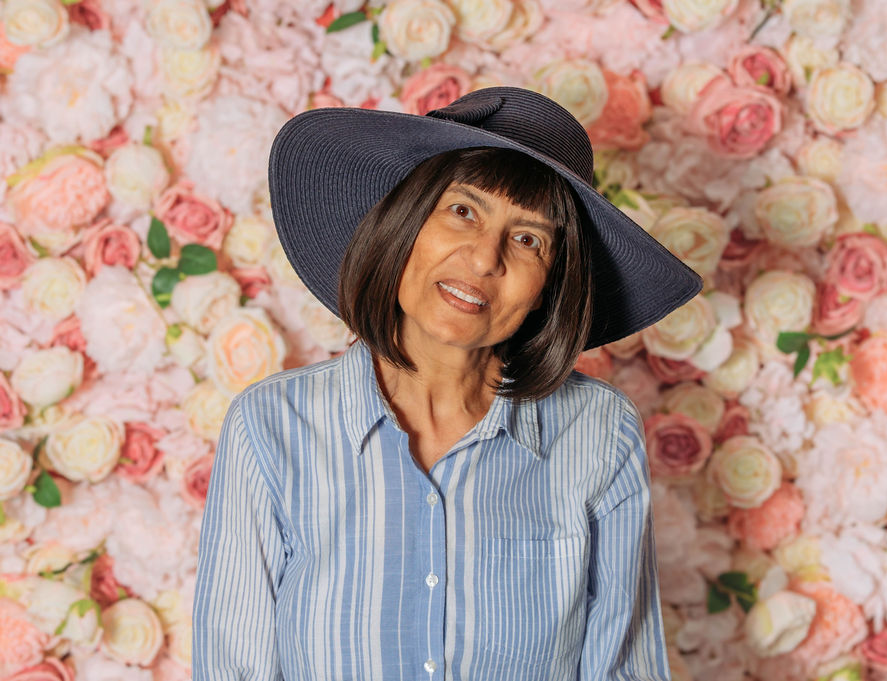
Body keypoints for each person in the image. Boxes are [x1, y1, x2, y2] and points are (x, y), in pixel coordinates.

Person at [192, 87, 701, 681]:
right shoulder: (273, 426)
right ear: (404, 225)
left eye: (528, 239)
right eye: (463, 211)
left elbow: (623, 668)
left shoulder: (600, 433)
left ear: (550, 286)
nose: (485, 258)